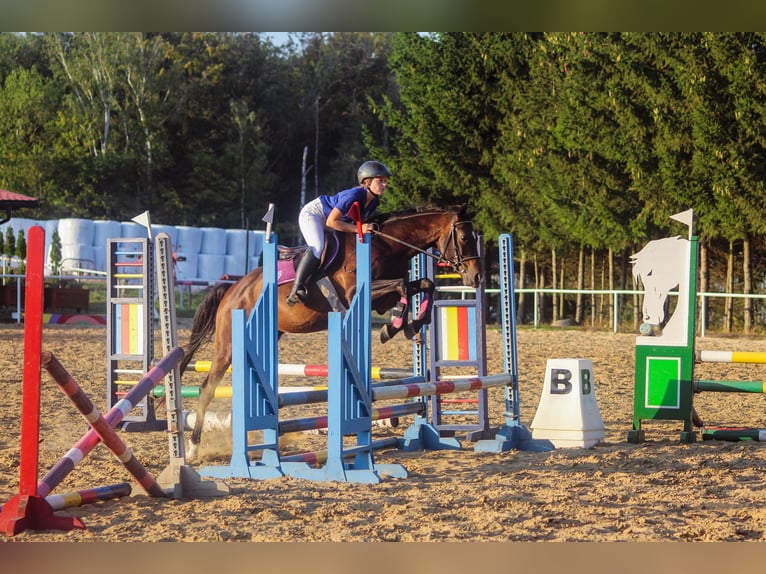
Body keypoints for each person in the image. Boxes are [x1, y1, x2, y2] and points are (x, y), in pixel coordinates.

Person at [286, 160, 391, 306]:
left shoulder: (373, 202)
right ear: (367, 182)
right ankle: (297, 289)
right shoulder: (353, 196)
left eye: (385, 181)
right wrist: (359, 229)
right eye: (380, 181)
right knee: (317, 246)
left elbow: (355, 223)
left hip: (331, 220)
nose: (385, 185)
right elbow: (331, 222)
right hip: (314, 214)